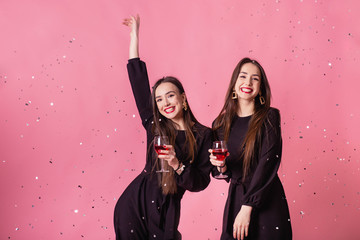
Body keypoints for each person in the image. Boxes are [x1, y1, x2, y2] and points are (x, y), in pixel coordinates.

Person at [114, 15, 212, 240]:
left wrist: (177, 164)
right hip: (134, 205)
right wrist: (134, 37)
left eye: (170, 96)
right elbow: (138, 83)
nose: (165, 103)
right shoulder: (155, 126)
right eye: (159, 100)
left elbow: (200, 182)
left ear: (183, 98)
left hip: (167, 209)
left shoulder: (204, 135)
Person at [209, 58, 292, 240]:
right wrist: (221, 165)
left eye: (255, 79)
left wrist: (247, 207)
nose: (248, 82)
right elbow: (224, 172)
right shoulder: (220, 124)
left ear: (260, 88)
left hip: (267, 197)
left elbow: (268, 163)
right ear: (234, 83)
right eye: (243, 76)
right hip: (237, 197)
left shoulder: (269, 117)